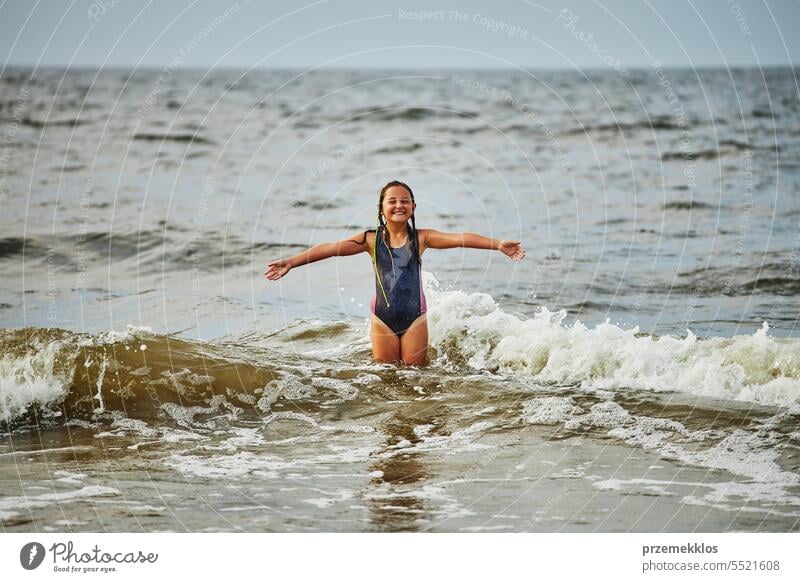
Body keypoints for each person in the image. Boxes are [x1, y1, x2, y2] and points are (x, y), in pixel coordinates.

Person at [265, 180, 525, 366]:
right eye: (392, 201)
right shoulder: (369, 240)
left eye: (404, 201)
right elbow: (330, 249)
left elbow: (459, 238)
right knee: (386, 378)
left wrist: (498, 244)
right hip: (382, 318)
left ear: (413, 207)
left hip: (415, 318)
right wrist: (292, 261)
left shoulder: (422, 238)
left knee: (415, 378)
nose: (399, 205)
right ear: (382, 209)